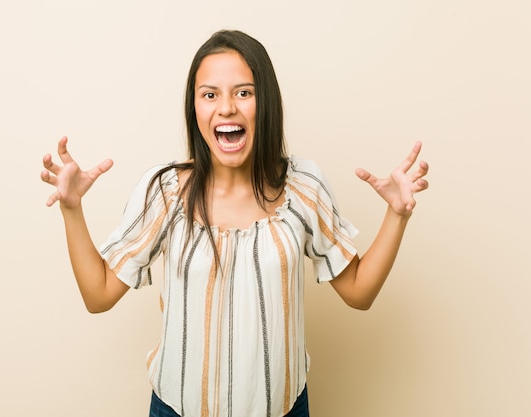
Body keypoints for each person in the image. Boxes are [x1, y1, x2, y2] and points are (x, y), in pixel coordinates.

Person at [40, 30, 429, 417]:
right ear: (195, 108)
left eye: (244, 92)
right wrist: (72, 209)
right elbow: (98, 295)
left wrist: (397, 215)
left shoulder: (304, 187)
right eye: (210, 94)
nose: (226, 107)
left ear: (267, 103)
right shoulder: (165, 190)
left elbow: (359, 293)